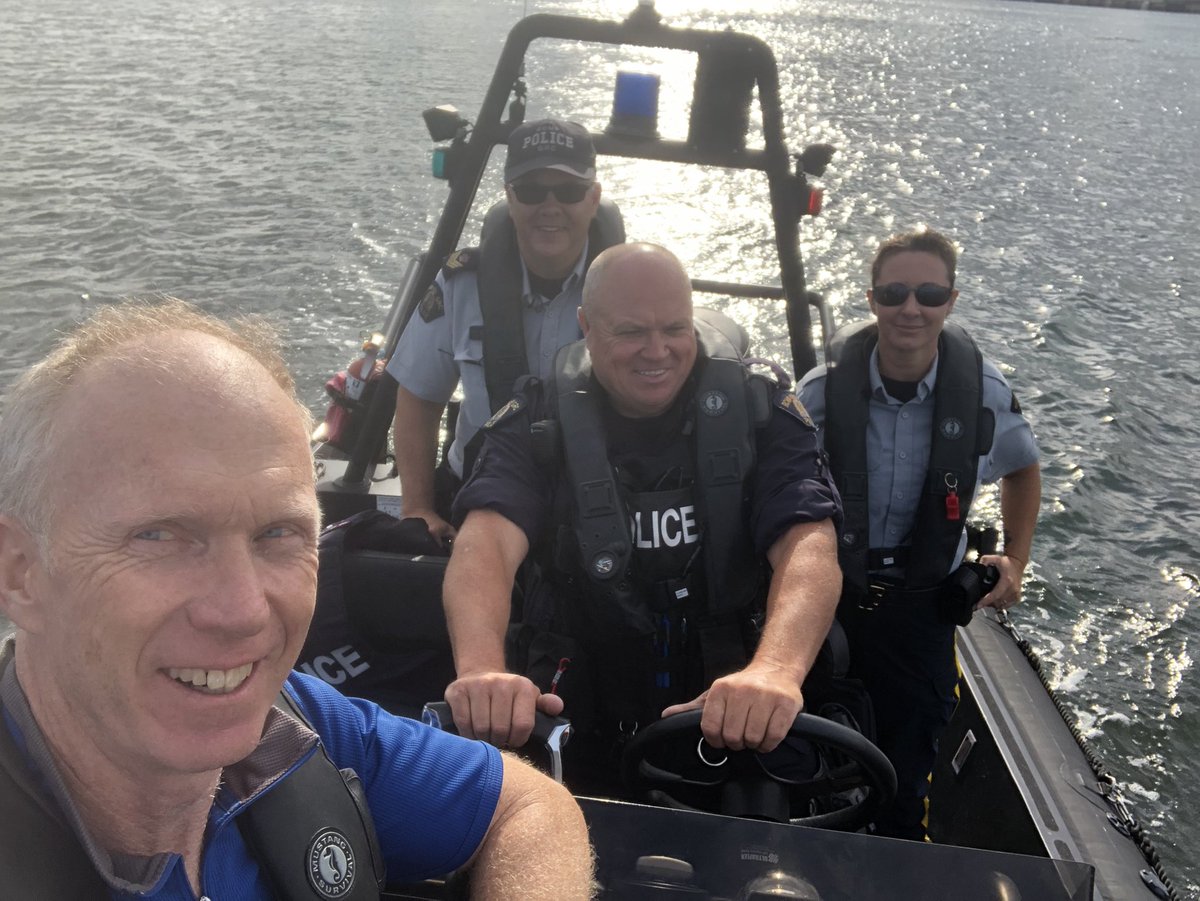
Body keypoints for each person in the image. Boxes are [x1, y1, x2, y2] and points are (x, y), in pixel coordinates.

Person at [0, 299, 595, 899]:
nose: (243, 611)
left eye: (277, 534)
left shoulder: (296, 729)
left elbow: (527, 807)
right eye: (159, 536)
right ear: (19, 572)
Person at [441, 243, 843, 797]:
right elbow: (484, 542)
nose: (657, 351)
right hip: (577, 709)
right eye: (630, 332)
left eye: (674, 327)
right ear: (586, 326)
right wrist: (483, 668)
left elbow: (809, 544)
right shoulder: (536, 420)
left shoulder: (759, 411)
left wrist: (776, 670)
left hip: (736, 707)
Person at [796, 228, 1042, 841]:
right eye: (895, 292)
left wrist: (1015, 557)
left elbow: (1023, 466)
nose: (912, 308)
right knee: (808, 745)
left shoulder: (983, 396)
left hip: (923, 607)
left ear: (951, 300)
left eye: (929, 293)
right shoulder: (820, 395)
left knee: (908, 774)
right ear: (873, 298)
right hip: (832, 599)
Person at [387, 117, 618, 545]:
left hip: (595, 501)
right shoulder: (460, 285)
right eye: (531, 191)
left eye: (568, 191)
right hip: (476, 497)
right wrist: (418, 508)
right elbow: (419, 396)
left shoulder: (633, 287)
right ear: (510, 198)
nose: (550, 207)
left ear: (593, 198)